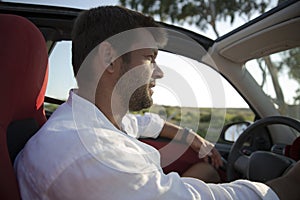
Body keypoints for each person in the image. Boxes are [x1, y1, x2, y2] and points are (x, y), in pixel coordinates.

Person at [14, 5, 300, 200]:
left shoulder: (92, 119)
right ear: (109, 58)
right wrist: (282, 187)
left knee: (209, 171)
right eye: (150, 58)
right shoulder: (89, 151)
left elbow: (145, 123)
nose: (159, 72)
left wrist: (195, 138)